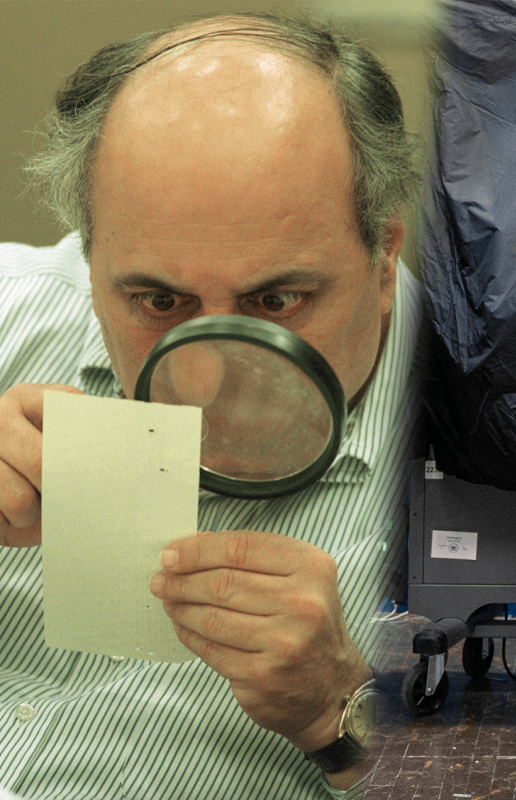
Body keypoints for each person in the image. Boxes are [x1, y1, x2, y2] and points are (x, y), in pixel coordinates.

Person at [0, 12, 423, 800]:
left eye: (276, 299)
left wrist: (344, 710)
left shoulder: (508, 461)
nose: (203, 384)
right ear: (90, 254)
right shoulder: (11, 312)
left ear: (384, 254)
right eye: (157, 300)